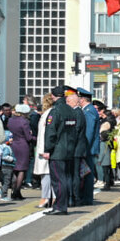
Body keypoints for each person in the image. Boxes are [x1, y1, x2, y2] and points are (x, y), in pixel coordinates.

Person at [43, 86, 79, 215]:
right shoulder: (71, 111)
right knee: (65, 178)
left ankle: (59, 206)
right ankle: (63, 204)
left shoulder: (55, 111)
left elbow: (51, 132)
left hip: (57, 151)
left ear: (53, 96)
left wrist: (48, 149)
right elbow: (75, 131)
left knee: (58, 179)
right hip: (69, 149)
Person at [6, 102, 34, 200]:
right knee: (22, 169)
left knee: (15, 168)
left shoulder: (11, 120)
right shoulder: (24, 121)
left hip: (14, 144)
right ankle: (17, 192)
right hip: (23, 145)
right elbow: (28, 137)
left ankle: (14, 190)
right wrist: (36, 138)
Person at [33, 93, 55, 208]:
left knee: (46, 174)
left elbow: (44, 134)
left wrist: (42, 149)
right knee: (49, 174)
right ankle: (51, 197)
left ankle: (45, 197)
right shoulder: (49, 114)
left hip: (45, 149)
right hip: (46, 148)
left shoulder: (48, 115)